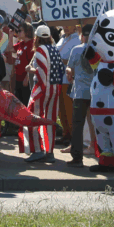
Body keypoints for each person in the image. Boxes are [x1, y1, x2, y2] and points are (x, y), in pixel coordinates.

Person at [21, 24, 61, 163]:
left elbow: (42, 72)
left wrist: (30, 70)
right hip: (55, 89)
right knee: (50, 120)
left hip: (42, 89)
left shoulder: (39, 51)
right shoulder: (55, 49)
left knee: (33, 118)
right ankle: (49, 151)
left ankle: (37, 150)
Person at [65, 23, 94, 167]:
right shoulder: (100, 51)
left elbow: (69, 67)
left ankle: (77, 158)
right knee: (96, 124)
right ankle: (99, 151)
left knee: (77, 125)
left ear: (82, 36)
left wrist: (70, 73)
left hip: (80, 92)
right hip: (96, 92)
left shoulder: (76, 50)